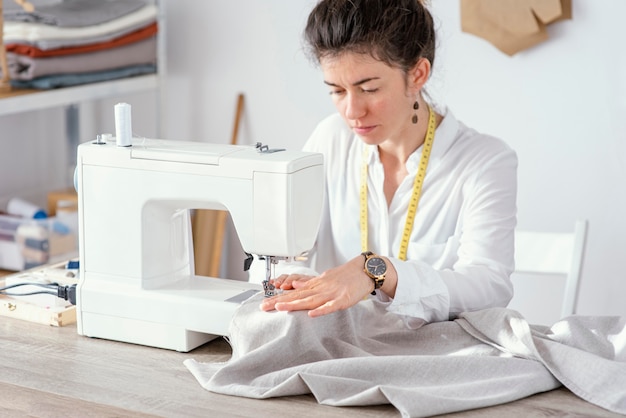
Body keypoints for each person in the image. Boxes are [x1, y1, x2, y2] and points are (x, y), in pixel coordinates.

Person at [258, 0, 518, 328]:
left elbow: (490, 286)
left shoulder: (485, 162)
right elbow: (280, 250)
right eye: (336, 91)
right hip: (343, 345)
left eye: (369, 88)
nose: (352, 111)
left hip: (433, 353)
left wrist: (377, 272)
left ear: (417, 74)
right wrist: (296, 280)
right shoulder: (330, 140)